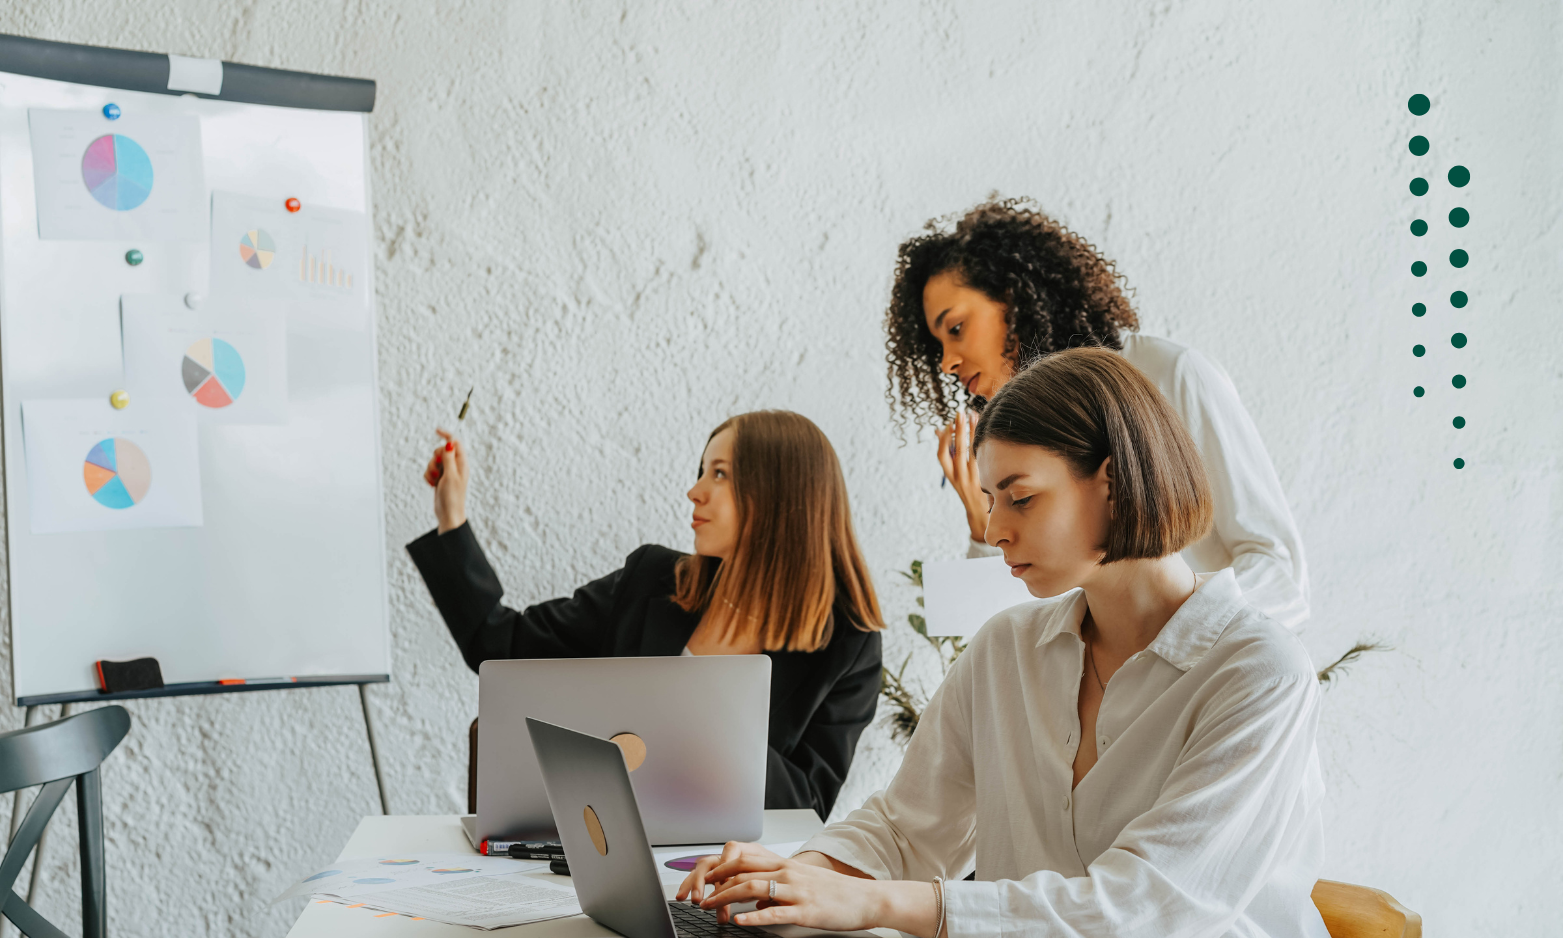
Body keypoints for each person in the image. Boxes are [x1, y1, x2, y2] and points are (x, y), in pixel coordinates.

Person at [679, 349, 1328, 938]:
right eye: (989, 500)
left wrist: (877, 904)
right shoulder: (1004, 650)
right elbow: (909, 828)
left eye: (1019, 499)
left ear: (1111, 481)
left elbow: (1141, 911)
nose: (993, 531)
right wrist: (794, 878)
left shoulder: (1258, 674)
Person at [407, 410, 885, 820]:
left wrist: (704, 713)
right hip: (603, 843)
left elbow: (808, 807)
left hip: (721, 875)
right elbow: (499, 645)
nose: (694, 491)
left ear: (781, 496)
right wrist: (453, 518)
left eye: (720, 474)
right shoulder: (652, 580)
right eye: (703, 470)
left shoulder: (848, 645)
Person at [884, 198, 1309, 630]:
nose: (946, 363)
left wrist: (1172, 639)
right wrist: (983, 517)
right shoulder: (1013, 443)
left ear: (1014, 298)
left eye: (955, 328)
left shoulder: (1171, 375)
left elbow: (1279, 570)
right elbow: (1006, 632)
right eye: (937, 345)